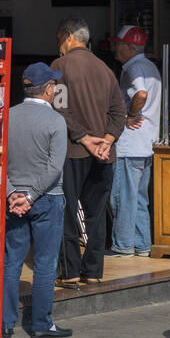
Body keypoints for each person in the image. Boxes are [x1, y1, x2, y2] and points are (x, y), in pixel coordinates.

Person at [51, 16, 126, 286]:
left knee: (67, 211)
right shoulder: (106, 69)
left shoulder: (59, 67)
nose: (58, 45)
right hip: (105, 155)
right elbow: (120, 112)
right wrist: (106, 140)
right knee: (96, 215)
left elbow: (60, 108)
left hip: (73, 152)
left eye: (60, 38)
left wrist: (84, 139)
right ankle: (93, 272)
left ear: (69, 35)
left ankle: (70, 271)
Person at [3, 63, 71, 338]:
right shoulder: (56, 121)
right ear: (48, 89)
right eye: (54, 85)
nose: (56, 88)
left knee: (12, 262)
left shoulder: (7, 116)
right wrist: (31, 196)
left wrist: (12, 193)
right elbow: (54, 168)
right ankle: (42, 325)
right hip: (47, 199)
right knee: (44, 264)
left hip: (13, 201)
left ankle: (6, 324)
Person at [108, 25, 163, 257]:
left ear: (129, 47)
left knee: (121, 197)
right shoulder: (150, 67)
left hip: (130, 145)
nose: (115, 48)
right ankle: (142, 245)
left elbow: (140, 93)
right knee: (139, 198)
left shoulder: (134, 69)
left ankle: (123, 246)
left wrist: (130, 115)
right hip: (145, 144)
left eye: (118, 44)